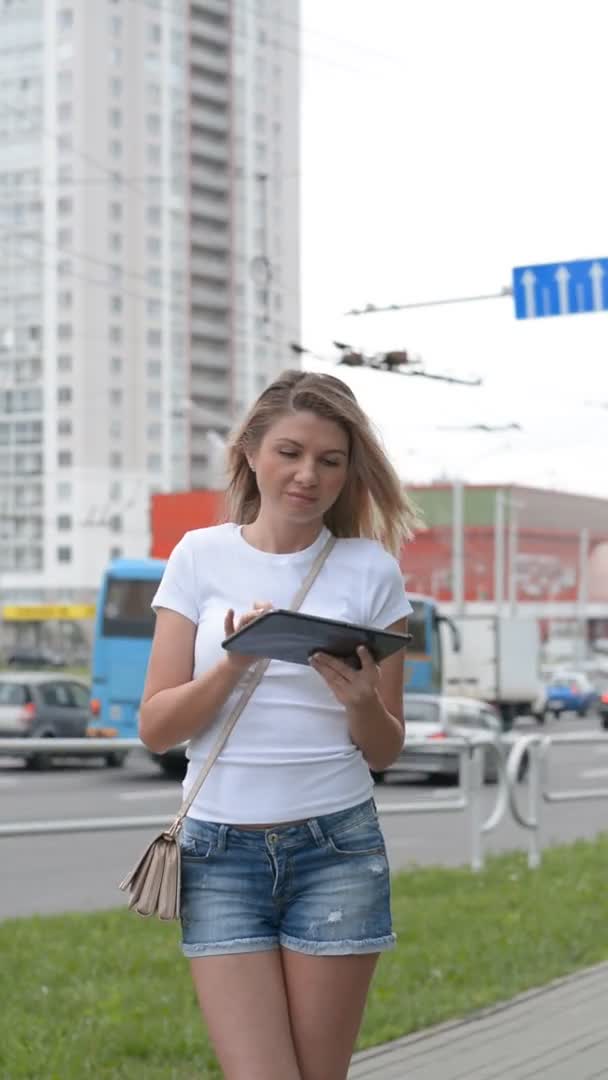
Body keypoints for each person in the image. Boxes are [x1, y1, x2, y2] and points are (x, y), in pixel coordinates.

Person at [139, 369, 420, 1080]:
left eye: (330, 461)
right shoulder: (199, 556)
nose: (308, 475)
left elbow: (385, 749)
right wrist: (236, 663)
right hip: (218, 855)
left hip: (337, 849)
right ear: (252, 453)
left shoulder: (372, 570)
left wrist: (360, 701)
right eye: (290, 452)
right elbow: (155, 727)